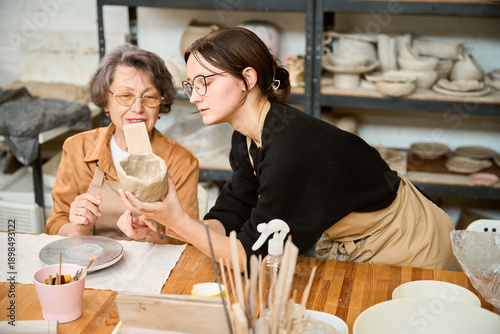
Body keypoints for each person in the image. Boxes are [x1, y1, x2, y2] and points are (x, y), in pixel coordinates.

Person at [118, 28, 460, 271]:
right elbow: (232, 216)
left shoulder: (290, 146)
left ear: (247, 79)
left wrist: (178, 220)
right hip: (362, 241)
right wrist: (169, 228)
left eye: (205, 82)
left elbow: (251, 258)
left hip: (405, 242)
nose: (193, 97)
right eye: (191, 85)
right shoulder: (247, 137)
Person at [45, 43, 199, 243]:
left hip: (154, 266)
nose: (137, 108)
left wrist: (153, 233)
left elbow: (190, 241)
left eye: (149, 97)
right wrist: (75, 229)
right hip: (93, 263)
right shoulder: (77, 148)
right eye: (125, 96)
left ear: (160, 105)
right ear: (105, 101)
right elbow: (55, 223)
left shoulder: (181, 161)